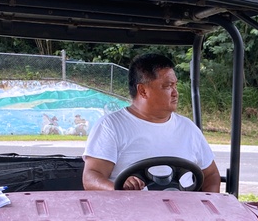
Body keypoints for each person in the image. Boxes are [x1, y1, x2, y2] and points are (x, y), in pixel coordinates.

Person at [82, 54, 220, 192]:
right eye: (168, 86)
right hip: (130, 210)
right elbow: (91, 177)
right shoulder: (111, 126)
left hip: (184, 211)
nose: (175, 93)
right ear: (142, 90)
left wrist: (208, 206)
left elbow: (211, 175)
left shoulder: (188, 128)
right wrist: (117, 188)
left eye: (175, 85)